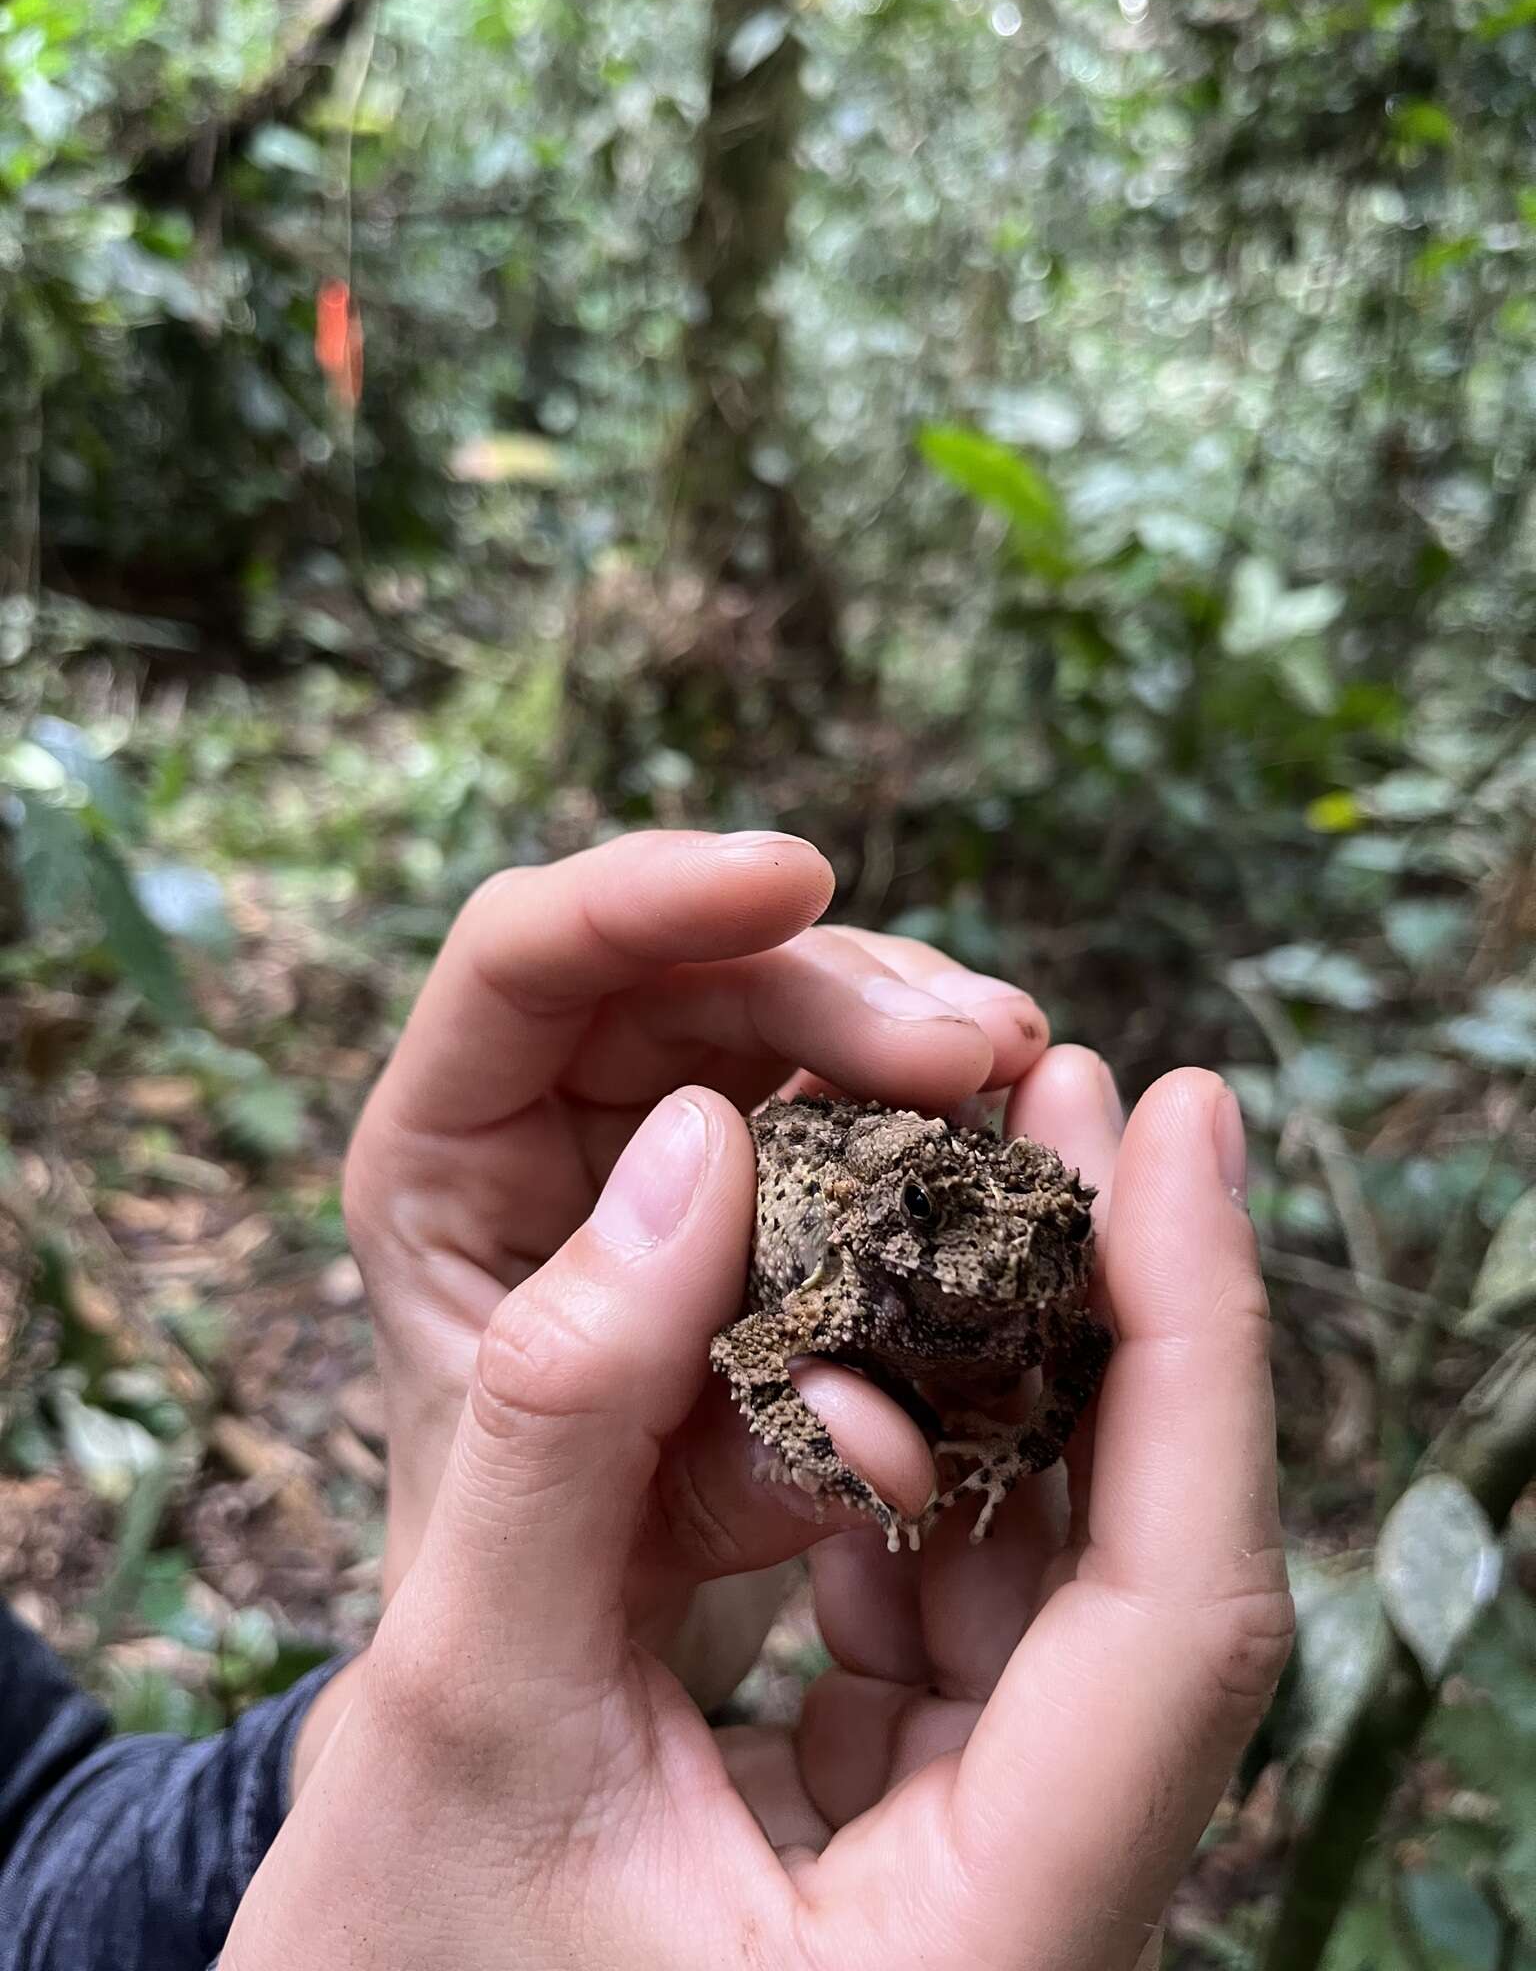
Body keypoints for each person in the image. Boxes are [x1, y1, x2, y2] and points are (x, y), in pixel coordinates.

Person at [1, 831, 1293, 1971]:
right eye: (956, 1228)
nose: (1011, 1261)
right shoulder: (850, 1276)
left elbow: (43, 1829)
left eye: (1051, 1233)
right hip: (825, 1221)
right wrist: (822, 1466)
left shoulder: (1027, 1273)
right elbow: (749, 1362)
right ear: (896, 1225)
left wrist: (1024, 1439)